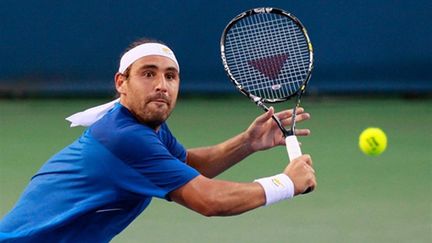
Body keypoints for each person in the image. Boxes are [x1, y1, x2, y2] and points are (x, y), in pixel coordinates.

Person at [0, 38, 316, 242]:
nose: (162, 85)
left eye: (170, 75)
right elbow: (209, 200)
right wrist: (285, 184)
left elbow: (186, 166)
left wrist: (247, 143)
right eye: (148, 74)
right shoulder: (125, 138)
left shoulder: (144, 127)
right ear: (121, 83)